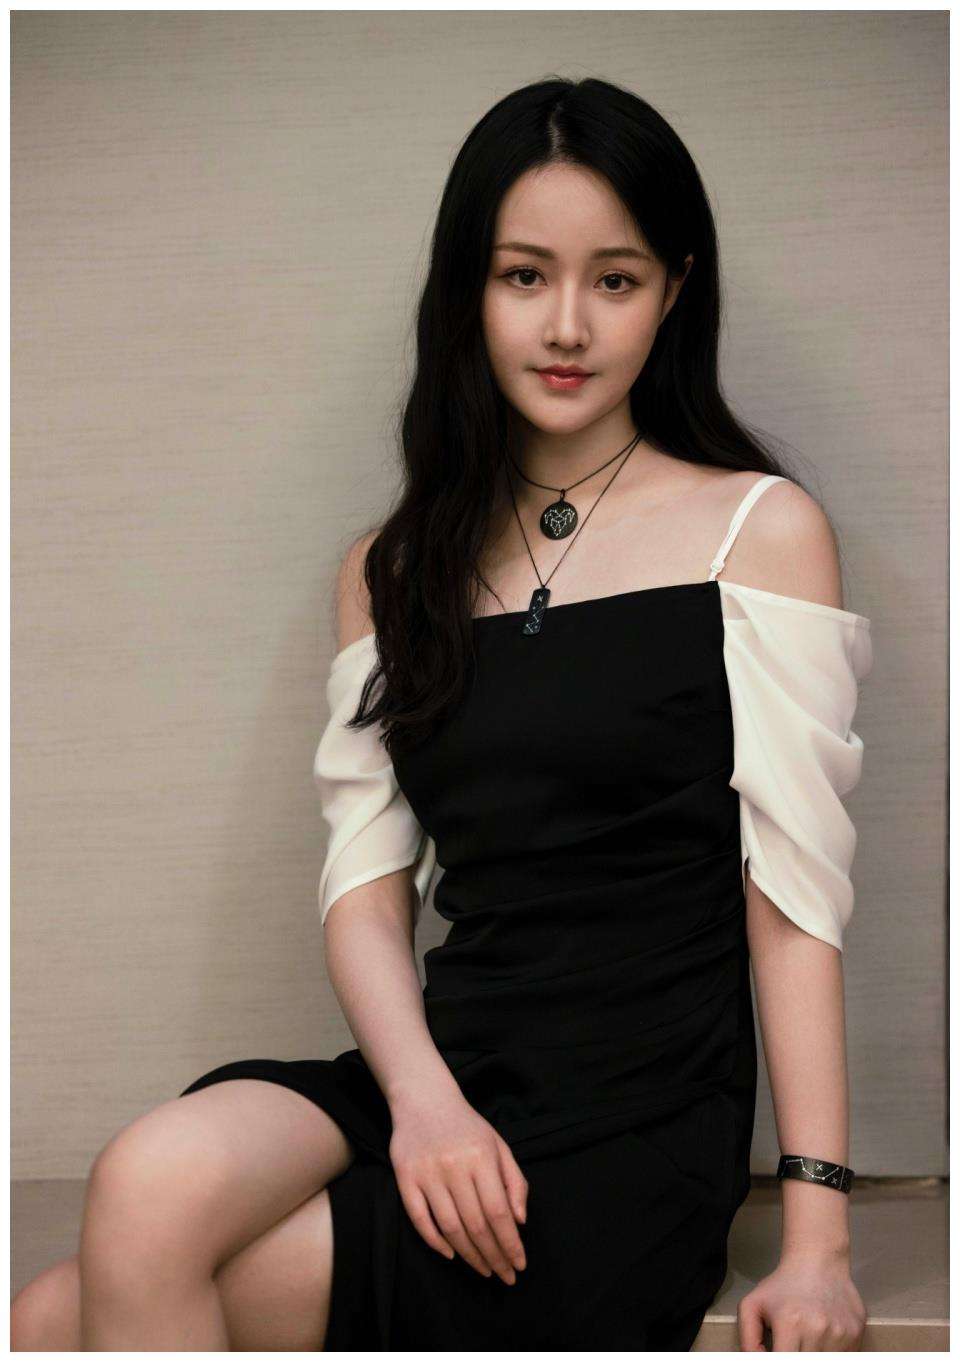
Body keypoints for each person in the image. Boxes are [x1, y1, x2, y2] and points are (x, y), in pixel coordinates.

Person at [11, 76, 872, 1352]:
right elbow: (365, 895)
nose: (567, 324)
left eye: (616, 279)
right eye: (524, 275)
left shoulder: (758, 529)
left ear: (675, 290)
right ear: (468, 289)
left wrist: (817, 1242)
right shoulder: (394, 567)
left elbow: (792, 908)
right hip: (445, 1073)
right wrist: (423, 1103)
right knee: (146, 1178)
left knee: (47, 1319)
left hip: (631, 1121)